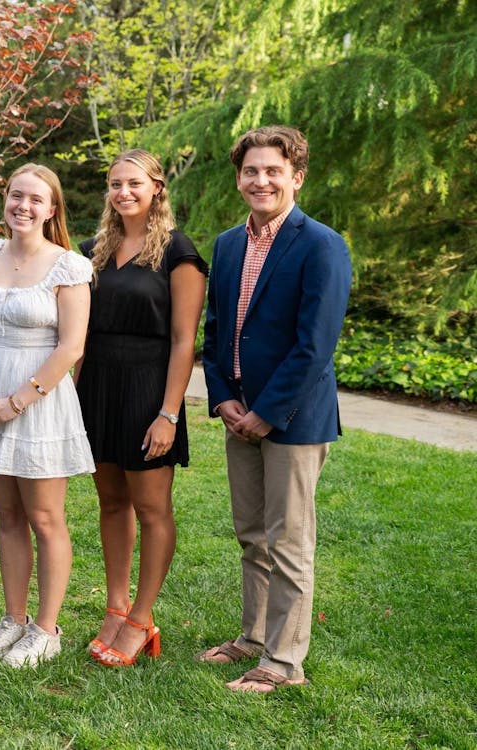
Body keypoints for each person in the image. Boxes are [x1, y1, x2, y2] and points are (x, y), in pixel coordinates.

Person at [200, 125, 351, 693]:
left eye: (273, 171)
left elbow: (315, 345)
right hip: (239, 414)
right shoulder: (228, 244)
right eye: (251, 171)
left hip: (293, 417)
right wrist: (224, 400)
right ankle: (254, 637)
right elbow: (216, 333)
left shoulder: (320, 244)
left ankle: (284, 663)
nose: (260, 180)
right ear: (239, 178)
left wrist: (266, 411)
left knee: (288, 540)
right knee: (252, 535)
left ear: (296, 177)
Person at [75, 150, 207, 667]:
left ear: (156, 187)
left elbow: (183, 341)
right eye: (114, 184)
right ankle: (115, 605)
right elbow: (79, 333)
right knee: (110, 502)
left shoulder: (179, 252)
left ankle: (142, 618)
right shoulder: (93, 250)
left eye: (133, 183)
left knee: (152, 509)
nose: (123, 192)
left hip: (149, 389)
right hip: (97, 388)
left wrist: (168, 413)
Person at [0, 163, 94, 668]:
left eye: (36, 199)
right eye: (17, 196)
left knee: (44, 516)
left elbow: (72, 346)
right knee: (8, 515)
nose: (24, 206)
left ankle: (46, 628)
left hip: (38, 401)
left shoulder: (68, 266)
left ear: (51, 209)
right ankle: (13, 619)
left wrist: (19, 399)